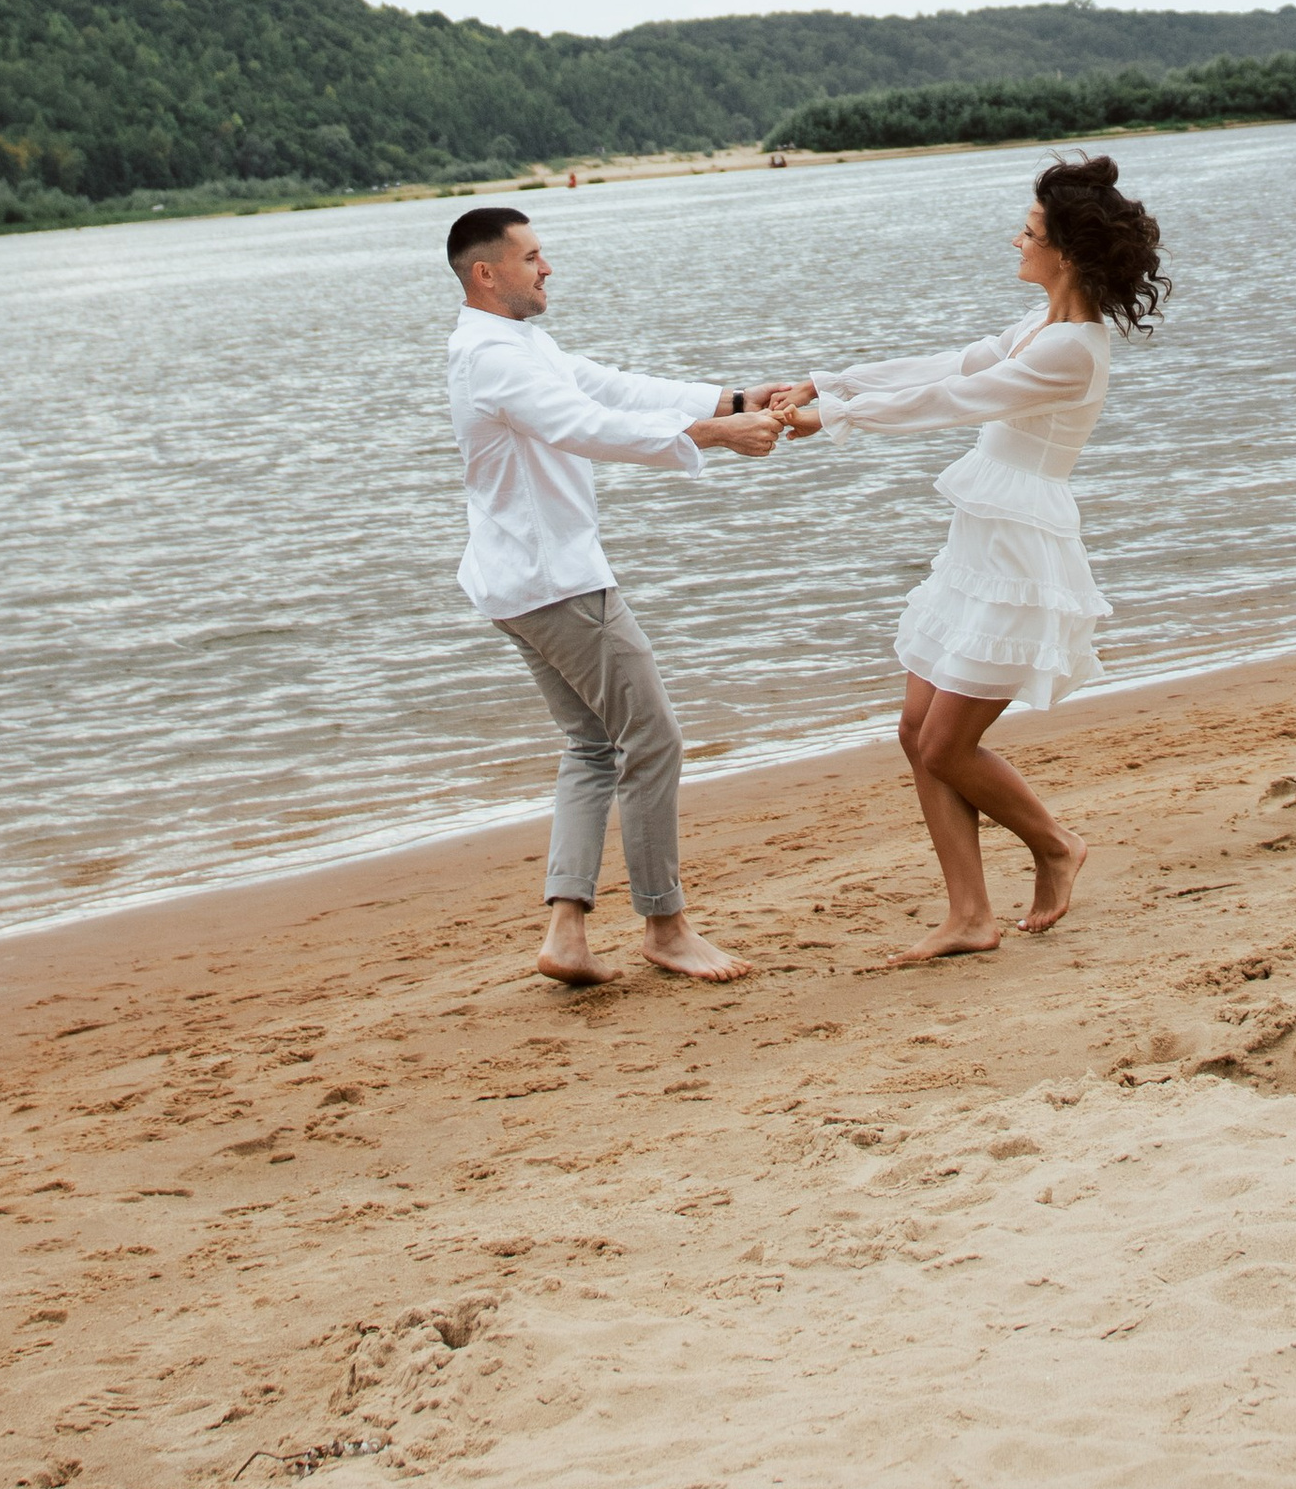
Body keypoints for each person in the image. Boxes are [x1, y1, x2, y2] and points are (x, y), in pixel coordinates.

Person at [764, 153, 1166, 963]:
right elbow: (951, 366)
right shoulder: (1042, 325)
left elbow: (956, 401)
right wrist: (826, 381)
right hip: (980, 540)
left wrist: (835, 417)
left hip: (1020, 553)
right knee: (916, 730)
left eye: (1030, 231)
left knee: (947, 744)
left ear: (1066, 252)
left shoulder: (1073, 349)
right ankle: (970, 916)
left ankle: (1055, 844)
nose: (1016, 240)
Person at [446, 203, 784, 987]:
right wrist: (716, 437)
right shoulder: (491, 357)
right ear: (486, 273)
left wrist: (731, 401)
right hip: (557, 583)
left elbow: (610, 388)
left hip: (518, 583)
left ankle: (566, 934)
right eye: (531, 257)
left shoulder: (516, 342)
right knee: (653, 739)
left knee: (594, 745)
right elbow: (584, 427)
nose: (547, 267)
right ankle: (666, 926)